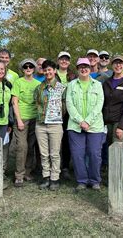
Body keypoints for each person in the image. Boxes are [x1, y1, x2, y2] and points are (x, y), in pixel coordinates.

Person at [66, 58, 104, 190]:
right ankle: (82, 180)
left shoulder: (97, 85)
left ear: (90, 68)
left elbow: (99, 104)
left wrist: (87, 121)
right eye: (81, 67)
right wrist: (80, 121)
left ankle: (94, 181)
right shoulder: (71, 85)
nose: (84, 69)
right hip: (75, 126)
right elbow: (69, 105)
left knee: (94, 153)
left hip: (95, 125)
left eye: (86, 66)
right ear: (77, 69)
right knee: (77, 154)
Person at [34, 60, 67, 190]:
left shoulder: (61, 87)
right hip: (41, 124)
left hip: (55, 124)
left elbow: (64, 106)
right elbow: (36, 103)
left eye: (50, 70)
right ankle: (45, 176)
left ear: (54, 71)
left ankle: (55, 178)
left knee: (54, 153)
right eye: (45, 70)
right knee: (44, 153)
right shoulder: (39, 88)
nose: (48, 72)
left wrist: (56, 116)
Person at [11, 58, 41, 187]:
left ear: (34, 68)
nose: (28, 69)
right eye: (25, 67)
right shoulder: (18, 82)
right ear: (22, 69)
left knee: (30, 146)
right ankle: (19, 175)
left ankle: (27, 172)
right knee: (21, 147)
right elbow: (14, 101)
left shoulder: (37, 84)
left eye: (30, 66)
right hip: (22, 118)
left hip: (35, 117)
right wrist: (18, 119)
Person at [101, 55, 123, 168]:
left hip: (120, 122)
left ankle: (119, 178)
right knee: (109, 148)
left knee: (117, 148)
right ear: (112, 65)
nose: (118, 65)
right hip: (107, 122)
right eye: (116, 63)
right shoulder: (106, 82)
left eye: (121, 63)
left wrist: (121, 127)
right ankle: (111, 176)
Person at [56, 51, 76, 180]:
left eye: (66, 59)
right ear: (58, 61)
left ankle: (65, 167)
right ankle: (54, 167)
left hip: (69, 113)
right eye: (62, 59)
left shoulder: (73, 76)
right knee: (55, 141)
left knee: (67, 141)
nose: (64, 61)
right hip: (55, 112)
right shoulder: (53, 73)